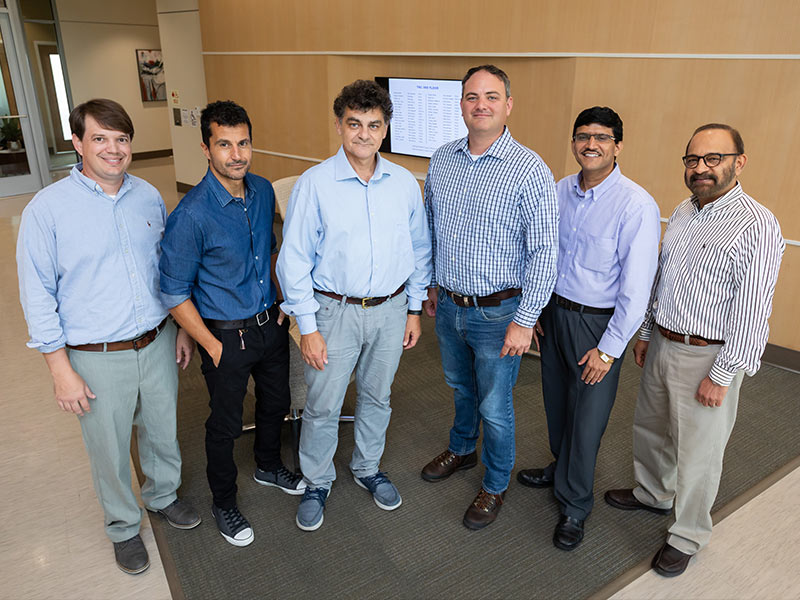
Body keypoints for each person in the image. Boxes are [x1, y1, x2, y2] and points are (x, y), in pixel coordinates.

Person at [16, 99, 199, 575]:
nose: (113, 149)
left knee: (161, 431)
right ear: (77, 143)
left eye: (121, 139)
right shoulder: (47, 210)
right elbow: (38, 298)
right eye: (99, 138)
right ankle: (122, 525)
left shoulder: (148, 196)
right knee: (110, 448)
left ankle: (162, 497)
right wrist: (60, 371)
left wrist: (178, 327)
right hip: (95, 355)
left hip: (156, 340)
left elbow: (167, 271)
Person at [605, 124, 784, 576]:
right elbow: (661, 279)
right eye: (692, 160)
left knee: (699, 454)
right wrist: (645, 332)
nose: (700, 168)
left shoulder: (758, 224)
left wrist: (722, 375)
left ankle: (687, 535)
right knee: (651, 429)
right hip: (664, 341)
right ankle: (652, 494)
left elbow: (752, 308)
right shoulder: (684, 210)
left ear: (737, 162)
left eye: (712, 159)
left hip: (709, 355)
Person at [277, 79, 432, 532]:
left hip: (391, 309)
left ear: (385, 130)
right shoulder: (316, 184)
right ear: (340, 126)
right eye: (354, 124)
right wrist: (307, 327)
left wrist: (414, 309)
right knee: (323, 405)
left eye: (374, 125)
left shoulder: (403, 183)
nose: (364, 134)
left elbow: (419, 250)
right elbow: (294, 260)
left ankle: (367, 467)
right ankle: (317, 480)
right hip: (333, 312)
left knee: (377, 397)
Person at [420, 64, 559, 530]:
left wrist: (525, 319)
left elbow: (544, 251)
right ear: (461, 105)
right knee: (460, 389)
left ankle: (495, 483)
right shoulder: (441, 160)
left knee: (494, 406)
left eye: (492, 96)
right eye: (472, 96)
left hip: (500, 314)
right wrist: (431, 288)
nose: (481, 104)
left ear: (508, 105)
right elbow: (431, 231)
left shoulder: (529, 169)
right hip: (449, 306)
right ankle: (462, 449)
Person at [160, 101, 303, 548]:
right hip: (224, 335)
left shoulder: (261, 191)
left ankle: (266, 464)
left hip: (269, 324)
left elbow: (272, 252)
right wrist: (208, 342)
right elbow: (173, 292)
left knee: (275, 403)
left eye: (243, 143)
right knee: (223, 425)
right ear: (206, 148)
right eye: (225, 144)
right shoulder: (192, 214)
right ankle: (224, 501)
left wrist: (283, 303)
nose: (236, 154)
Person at [516, 107, 660, 550]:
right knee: (556, 404)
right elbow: (541, 254)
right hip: (554, 315)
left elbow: (637, 289)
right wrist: (536, 310)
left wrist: (610, 349)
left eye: (601, 137)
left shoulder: (636, 204)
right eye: (582, 136)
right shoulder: (559, 191)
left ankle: (575, 505)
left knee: (588, 420)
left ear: (618, 145)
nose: (590, 144)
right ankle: (560, 468)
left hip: (598, 326)